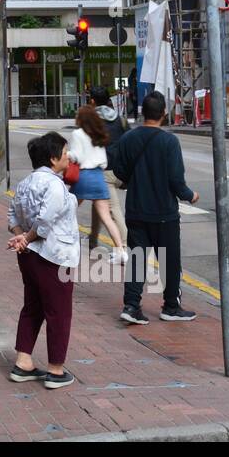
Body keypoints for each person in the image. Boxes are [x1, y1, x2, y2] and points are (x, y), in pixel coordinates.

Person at [107, 91, 199, 325]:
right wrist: (190, 195)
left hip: (136, 209)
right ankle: (171, 306)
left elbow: (119, 171)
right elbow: (176, 179)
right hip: (164, 213)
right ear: (164, 113)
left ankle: (131, 305)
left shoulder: (128, 139)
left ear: (143, 112)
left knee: (137, 258)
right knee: (169, 261)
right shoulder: (169, 142)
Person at [7, 132, 81, 389]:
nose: (68, 156)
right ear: (53, 158)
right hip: (54, 256)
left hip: (29, 257)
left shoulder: (25, 183)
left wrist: (21, 238)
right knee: (59, 313)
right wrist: (27, 238)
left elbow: (12, 215)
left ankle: (23, 362)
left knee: (33, 307)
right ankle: (55, 370)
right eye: (65, 152)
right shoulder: (54, 185)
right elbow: (45, 221)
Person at [67, 105, 127, 264]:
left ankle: (67, 244)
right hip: (99, 176)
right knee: (107, 217)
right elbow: (104, 160)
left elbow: (77, 156)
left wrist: (67, 155)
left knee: (67, 210)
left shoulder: (77, 134)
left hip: (84, 177)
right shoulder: (99, 134)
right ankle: (121, 251)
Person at [84, 86, 128, 257]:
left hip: (104, 171)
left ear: (92, 101)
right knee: (99, 204)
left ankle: (124, 246)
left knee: (112, 209)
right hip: (120, 169)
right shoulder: (120, 118)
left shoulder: (91, 120)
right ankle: (92, 239)